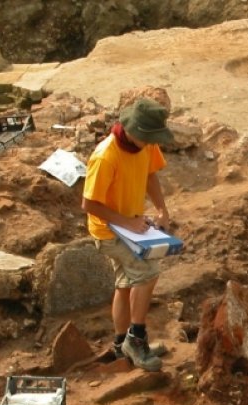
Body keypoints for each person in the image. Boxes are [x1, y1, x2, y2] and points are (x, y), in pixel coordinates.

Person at [81, 97, 174, 371]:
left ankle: (121, 345)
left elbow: (150, 174)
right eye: (149, 138)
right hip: (108, 231)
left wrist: (161, 209)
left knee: (124, 284)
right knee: (148, 272)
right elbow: (89, 204)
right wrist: (126, 223)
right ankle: (136, 338)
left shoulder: (146, 142)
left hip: (130, 226)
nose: (152, 143)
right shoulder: (105, 156)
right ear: (133, 131)